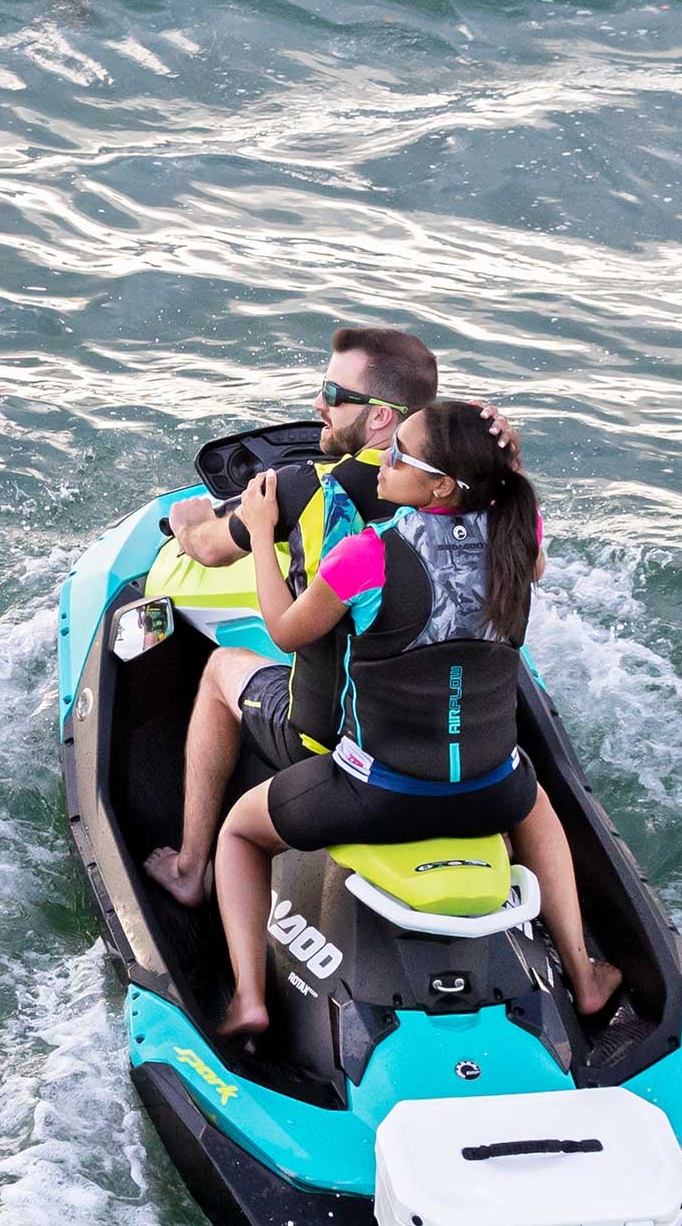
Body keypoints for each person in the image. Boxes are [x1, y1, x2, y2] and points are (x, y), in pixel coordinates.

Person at [208, 399, 628, 1038]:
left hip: (377, 796)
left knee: (240, 833)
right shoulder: (517, 536)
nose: (383, 458)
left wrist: (263, 535)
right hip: (492, 792)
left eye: (400, 455)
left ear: (440, 487)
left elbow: (286, 632)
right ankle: (585, 974)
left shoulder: (368, 554)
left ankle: (248, 998)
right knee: (536, 801)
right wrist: (508, 462)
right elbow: (524, 532)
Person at [139, 325, 438, 908]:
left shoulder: (306, 488)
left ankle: (190, 866)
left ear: (381, 417)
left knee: (221, 669)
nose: (317, 404)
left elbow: (208, 550)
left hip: (334, 738)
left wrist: (188, 523)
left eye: (333, 394)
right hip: (435, 729)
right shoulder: (457, 489)